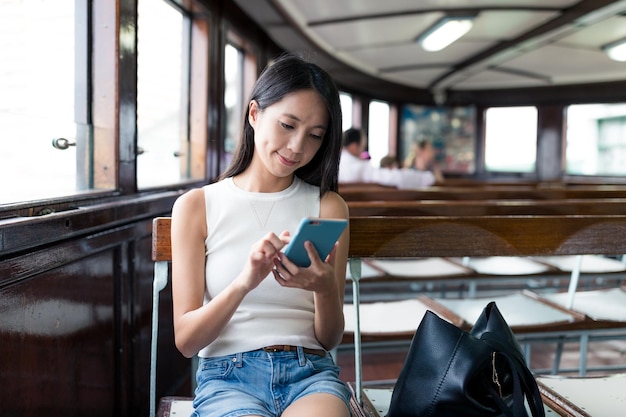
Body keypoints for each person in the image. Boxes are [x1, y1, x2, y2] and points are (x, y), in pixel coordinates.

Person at [170, 54, 351, 417]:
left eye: (315, 136)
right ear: (254, 114)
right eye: (287, 125)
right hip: (227, 377)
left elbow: (328, 339)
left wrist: (324, 288)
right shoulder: (196, 206)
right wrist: (244, 282)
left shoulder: (328, 206)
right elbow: (187, 341)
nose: (298, 146)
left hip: (310, 373)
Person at [338, 127, 436, 188]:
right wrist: (427, 177)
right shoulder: (357, 168)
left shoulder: (336, 163)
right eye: (363, 147)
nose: (363, 152)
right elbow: (394, 178)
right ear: (354, 147)